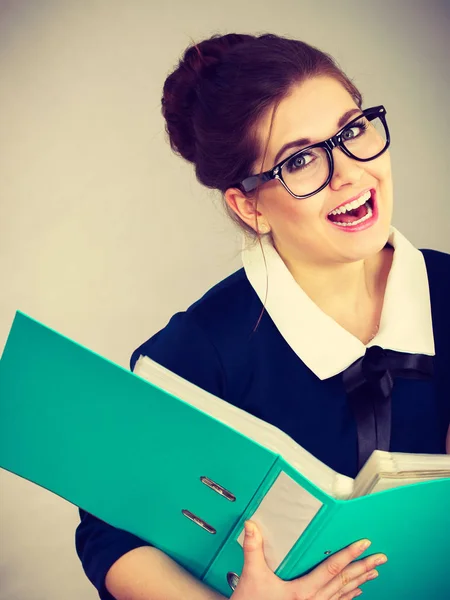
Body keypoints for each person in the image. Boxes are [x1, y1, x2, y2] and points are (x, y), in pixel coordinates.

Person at [75, 33, 450, 600]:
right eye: (299, 160)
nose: (349, 172)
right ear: (249, 205)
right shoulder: (201, 350)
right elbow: (111, 533)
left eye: (352, 132)